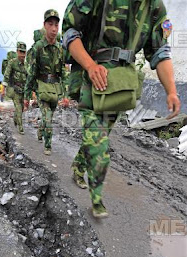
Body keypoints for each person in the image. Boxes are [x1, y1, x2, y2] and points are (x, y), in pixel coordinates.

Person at [62, 0, 181, 218]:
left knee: (99, 135)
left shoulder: (154, 6)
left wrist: (171, 91)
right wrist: (90, 65)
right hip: (91, 79)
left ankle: (79, 166)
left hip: (120, 85)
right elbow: (70, 31)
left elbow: (159, 51)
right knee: (98, 143)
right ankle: (97, 202)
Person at [24, 10, 64, 155]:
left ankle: (41, 130)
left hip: (54, 88)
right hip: (41, 86)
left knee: (49, 116)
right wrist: (27, 96)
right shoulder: (38, 47)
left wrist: (65, 92)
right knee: (48, 118)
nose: (54, 28)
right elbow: (31, 73)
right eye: (50, 24)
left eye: (56, 25)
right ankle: (48, 146)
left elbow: (63, 72)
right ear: (44, 26)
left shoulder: (60, 48)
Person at [3, 42, 27, 134]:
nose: (22, 54)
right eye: (20, 52)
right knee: (18, 107)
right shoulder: (12, 62)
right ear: (17, 52)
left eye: (24, 52)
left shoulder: (26, 64)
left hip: (23, 89)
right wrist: (3, 88)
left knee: (21, 108)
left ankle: (16, 118)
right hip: (15, 89)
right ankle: (21, 128)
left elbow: (29, 77)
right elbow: (7, 75)